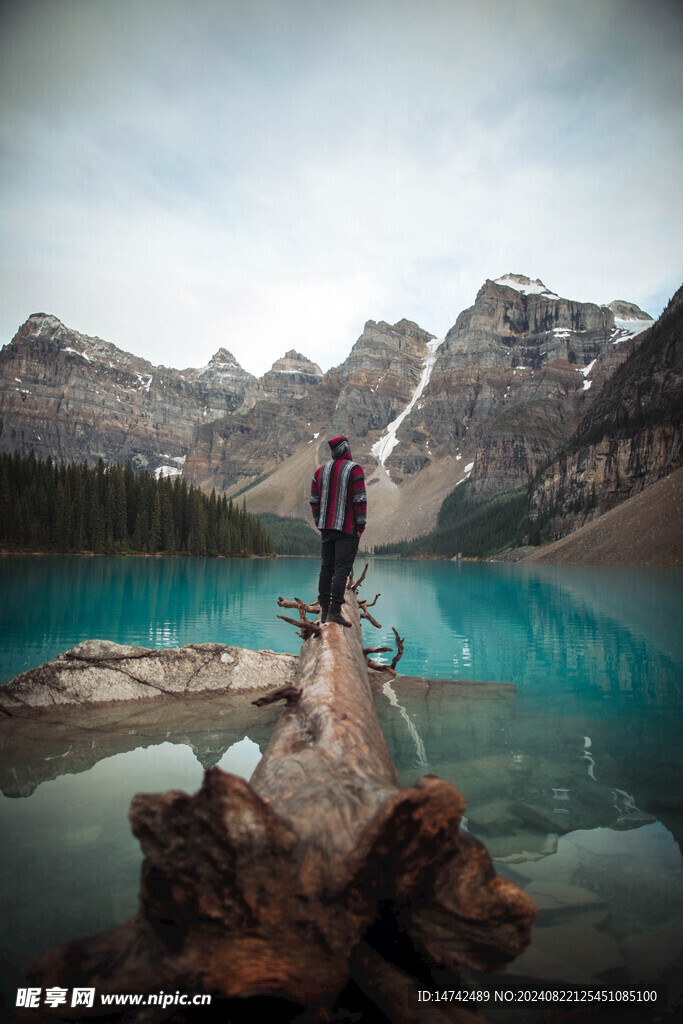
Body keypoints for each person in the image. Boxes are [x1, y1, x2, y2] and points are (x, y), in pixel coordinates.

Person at [310, 435, 367, 626]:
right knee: (341, 569)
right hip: (347, 527)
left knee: (327, 568)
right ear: (346, 450)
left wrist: (320, 522)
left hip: (327, 528)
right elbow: (360, 500)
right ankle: (335, 611)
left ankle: (325, 610)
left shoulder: (320, 472)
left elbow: (314, 501)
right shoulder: (354, 469)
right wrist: (360, 527)